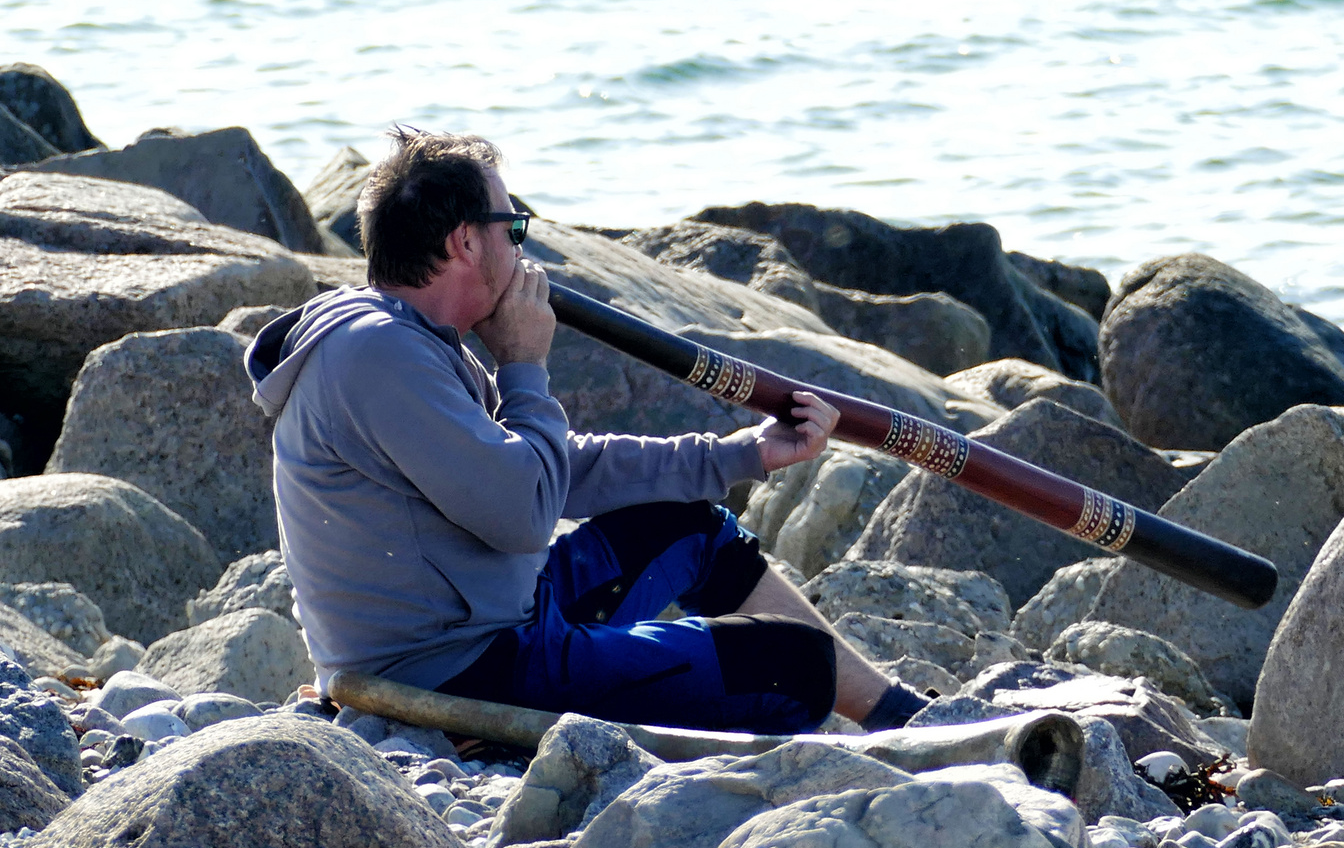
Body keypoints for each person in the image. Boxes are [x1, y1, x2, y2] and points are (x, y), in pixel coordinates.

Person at [246, 129, 931, 734]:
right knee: (793, 668)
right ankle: (547, 728)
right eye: (514, 228)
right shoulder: (379, 355)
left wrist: (744, 453)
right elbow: (521, 513)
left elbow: (552, 470)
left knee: (694, 527)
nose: (523, 247)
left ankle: (897, 713)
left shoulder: (412, 340)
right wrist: (523, 364)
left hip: (499, 615)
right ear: (463, 242)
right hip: (455, 670)